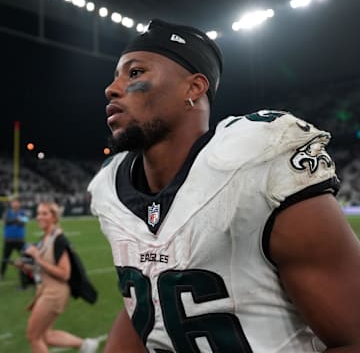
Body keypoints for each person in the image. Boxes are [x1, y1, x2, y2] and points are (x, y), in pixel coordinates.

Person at [88, 18, 360, 352]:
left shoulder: (258, 161)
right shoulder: (112, 186)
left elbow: (353, 337)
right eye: (116, 76)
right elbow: (148, 301)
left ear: (194, 88)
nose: (112, 88)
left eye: (135, 73)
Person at [15, 201, 99, 353]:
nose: (39, 217)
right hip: (47, 290)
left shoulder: (59, 239)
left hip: (55, 293)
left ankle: (86, 345)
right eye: (38, 213)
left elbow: (64, 273)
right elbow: (42, 269)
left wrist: (37, 258)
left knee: (34, 336)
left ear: (54, 217)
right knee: (45, 335)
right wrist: (26, 266)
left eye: (44, 213)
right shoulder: (45, 238)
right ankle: (86, 345)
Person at [1, 197, 30, 289]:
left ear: (19, 204)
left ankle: (27, 277)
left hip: (19, 240)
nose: (15, 204)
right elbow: (6, 221)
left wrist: (16, 220)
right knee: (5, 258)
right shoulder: (7, 212)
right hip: (8, 240)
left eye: (17, 202)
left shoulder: (23, 212)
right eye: (13, 202)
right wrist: (17, 220)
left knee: (25, 259)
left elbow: (24, 222)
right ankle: (2, 274)